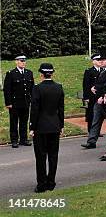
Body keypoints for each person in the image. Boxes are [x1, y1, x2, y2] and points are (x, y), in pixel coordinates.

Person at [29, 63, 64, 193]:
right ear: (52, 73)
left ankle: (41, 184)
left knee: (41, 157)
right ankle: (51, 182)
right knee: (53, 156)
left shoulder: (37, 88)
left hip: (41, 127)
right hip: (54, 125)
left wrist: (32, 126)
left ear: (41, 74)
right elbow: (61, 109)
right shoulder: (58, 87)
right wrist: (61, 125)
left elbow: (35, 110)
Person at [82, 50, 106, 149]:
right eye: (100, 60)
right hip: (98, 101)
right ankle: (91, 141)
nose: (101, 61)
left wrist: (100, 92)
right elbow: (99, 83)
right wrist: (94, 87)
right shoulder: (102, 71)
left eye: (103, 60)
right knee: (95, 121)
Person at [4, 55, 34, 148]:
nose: (23, 62)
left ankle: (23, 139)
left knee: (24, 121)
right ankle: (14, 140)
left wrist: (32, 100)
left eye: (24, 61)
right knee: (14, 122)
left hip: (25, 102)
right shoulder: (11, 73)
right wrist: (8, 103)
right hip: (14, 103)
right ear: (16, 62)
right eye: (21, 61)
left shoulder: (29, 73)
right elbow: (7, 89)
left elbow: (32, 88)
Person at [82, 54, 101, 132]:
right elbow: (85, 85)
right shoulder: (89, 71)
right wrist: (86, 97)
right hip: (92, 97)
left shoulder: (103, 71)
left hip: (100, 97)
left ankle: (97, 131)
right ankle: (90, 130)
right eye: (98, 60)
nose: (100, 61)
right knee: (91, 114)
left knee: (99, 114)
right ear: (93, 61)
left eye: (100, 60)